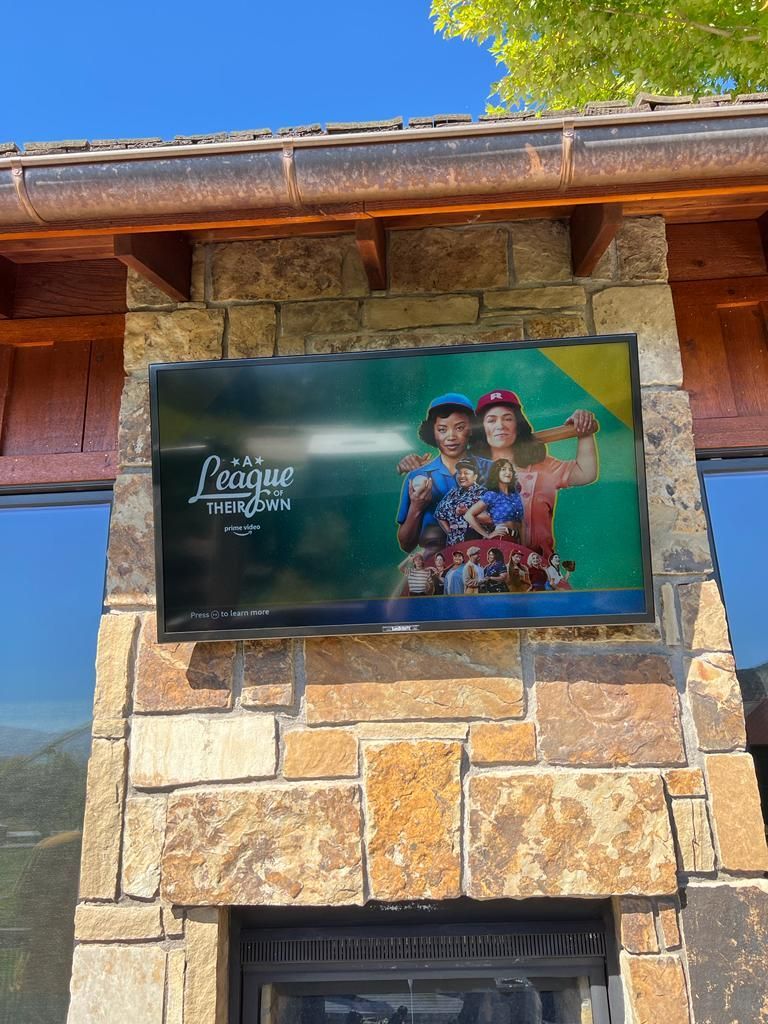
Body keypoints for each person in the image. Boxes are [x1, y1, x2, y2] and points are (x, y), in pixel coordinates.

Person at [473, 389, 598, 557]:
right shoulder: (468, 470)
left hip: (538, 569)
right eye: (491, 420)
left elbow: (586, 473)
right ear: (482, 428)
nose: (500, 426)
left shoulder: (542, 465)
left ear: (518, 424)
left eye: (508, 418)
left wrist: (585, 432)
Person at [396, 393, 479, 556]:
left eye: (460, 427)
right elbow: (406, 545)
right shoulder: (416, 476)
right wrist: (416, 507)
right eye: (442, 429)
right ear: (432, 432)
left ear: (472, 429)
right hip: (434, 565)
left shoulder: (491, 471)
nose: (451, 437)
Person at [463, 457, 524, 541]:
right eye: (503, 469)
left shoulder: (515, 495)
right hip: (501, 537)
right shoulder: (492, 495)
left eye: (510, 470)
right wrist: (487, 535)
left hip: (516, 538)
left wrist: (524, 546)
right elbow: (468, 515)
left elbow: (521, 524)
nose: (508, 472)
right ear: (496, 473)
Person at [434, 457, 486, 547]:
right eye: (459, 473)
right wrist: (450, 533)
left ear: (475, 476)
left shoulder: (484, 493)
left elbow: (491, 519)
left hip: (475, 543)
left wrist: (467, 512)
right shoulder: (452, 492)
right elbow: (439, 514)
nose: (462, 476)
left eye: (466, 473)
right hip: (454, 545)